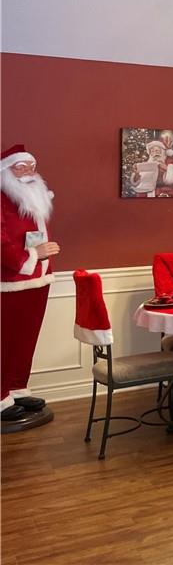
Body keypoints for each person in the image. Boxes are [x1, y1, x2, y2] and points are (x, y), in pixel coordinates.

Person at [1, 145, 58, 425]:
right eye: (20, 167)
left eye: (31, 166)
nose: (28, 172)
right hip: (9, 280)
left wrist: (39, 257)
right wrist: (33, 255)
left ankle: (16, 388)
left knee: (26, 338)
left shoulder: (33, 195)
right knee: (5, 339)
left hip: (38, 278)